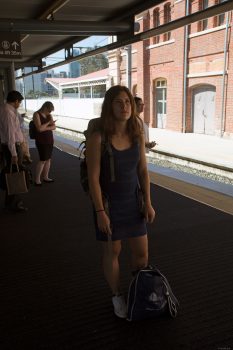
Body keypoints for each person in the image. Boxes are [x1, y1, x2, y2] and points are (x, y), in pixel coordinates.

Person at [86, 85, 155, 318]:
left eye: (127, 102)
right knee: (112, 250)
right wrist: (99, 211)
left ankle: (138, 289)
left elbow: (143, 171)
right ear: (109, 106)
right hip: (109, 205)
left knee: (141, 254)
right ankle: (117, 295)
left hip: (133, 202)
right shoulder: (98, 138)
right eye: (118, 102)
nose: (124, 106)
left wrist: (148, 202)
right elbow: (93, 178)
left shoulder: (137, 134)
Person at [0, 90, 28, 212]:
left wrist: (19, 117)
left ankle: (12, 202)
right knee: (14, 174)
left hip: (12, 146)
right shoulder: (7, 112)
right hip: (12, 147)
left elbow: (14, 128)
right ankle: (12, 204)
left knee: (14, 173)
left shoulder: (9, 110)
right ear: (16, 101)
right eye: (19, 102)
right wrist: (14, 153)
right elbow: (10, 134)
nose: (19, 104)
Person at [33, 101, 56, 186]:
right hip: (41, 141)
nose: (50, 113)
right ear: (45, 108)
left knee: (48, 159)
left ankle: (46, 177)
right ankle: (37, 179)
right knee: (42, 160)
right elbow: (39, 129)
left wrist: (46, 127)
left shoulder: (49, 115)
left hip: (50, 139)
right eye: (49, 111)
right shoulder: (36, 114)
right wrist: (48, 124)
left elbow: (54, 127)